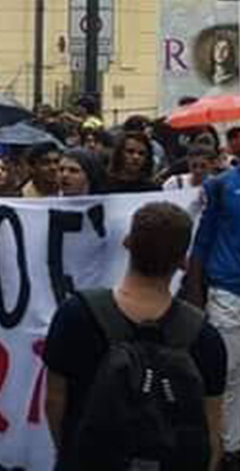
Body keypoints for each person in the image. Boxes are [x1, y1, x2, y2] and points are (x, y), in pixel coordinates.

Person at [44, 201, 225, 471]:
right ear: (182, 262)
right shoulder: (205, 337)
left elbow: (54, 403)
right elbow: (211, 433)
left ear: (127, 243)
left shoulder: (75, 315)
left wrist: (70, 455)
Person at [186, 157, 240, 467]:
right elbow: (201, 240)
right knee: (224, 375)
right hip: (227, 294)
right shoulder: (221, 186)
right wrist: (195, 295)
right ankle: (221, 450)